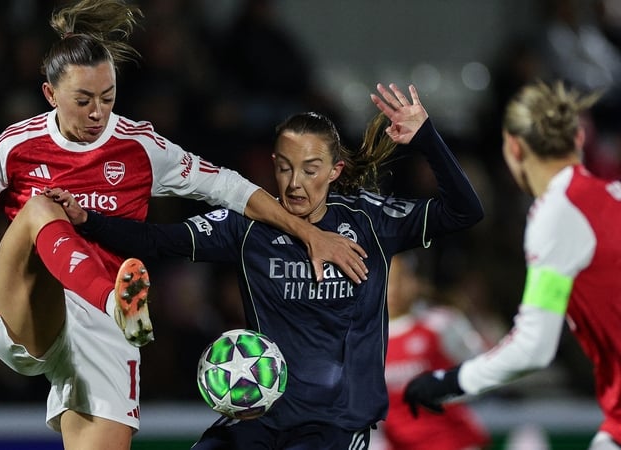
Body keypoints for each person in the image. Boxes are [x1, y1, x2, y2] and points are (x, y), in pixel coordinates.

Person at [0, 1, 368, 449]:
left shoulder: (141, 147)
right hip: (27, 309)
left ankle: (115, 306)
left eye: (108, 97)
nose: (99, 112)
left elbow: (231, 188)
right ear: (51, 95)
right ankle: (114, 298)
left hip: (105, 334)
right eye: (84, 99)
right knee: (41, 209)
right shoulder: (16, 146)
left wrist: (310, 233)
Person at [49, 83, 485, 449]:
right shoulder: (248, 227)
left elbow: (466, 212)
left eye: (310, 170)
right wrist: (89, 220)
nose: (294, 183)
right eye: (284, 168)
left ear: (335, 170)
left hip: (335, 426)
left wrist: (427, 137)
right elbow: (160, 241)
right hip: (260, 413)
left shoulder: (370, 221)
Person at [402, 80, 621, 450]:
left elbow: (534, 346)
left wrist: (450, 381)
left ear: (514, 148)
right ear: (579, 142)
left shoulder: (556, 215)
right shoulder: (613, 195)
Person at [379, 252, 490, 450]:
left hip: (452, 441)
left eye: (401, 277)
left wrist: (444, 392)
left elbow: (483, 369)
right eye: (386, 279)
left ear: (416, 282)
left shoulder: (442, 323)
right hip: (397, 444)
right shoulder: (363, 337)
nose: (394, 288)